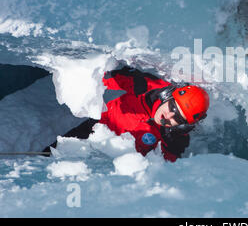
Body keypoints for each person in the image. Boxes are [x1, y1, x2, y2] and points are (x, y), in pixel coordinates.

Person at [43, 66, 210, 162]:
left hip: (117, 162)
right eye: (173, 108)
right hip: (94, 132)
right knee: (45, 160)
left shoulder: (174, 138)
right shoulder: (147, 86)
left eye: (178, 118)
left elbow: (164, 169)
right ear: (168, 96)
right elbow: (101, 76)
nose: (170, 117)